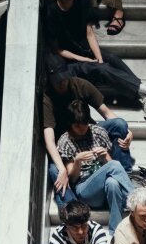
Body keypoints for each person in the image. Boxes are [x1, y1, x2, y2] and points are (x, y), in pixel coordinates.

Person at [44, 0, 146, 121]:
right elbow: (57, 50)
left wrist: (99, 59)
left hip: (85, 51)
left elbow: (89, 32)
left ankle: (143, 96)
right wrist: (84, 59)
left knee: (112, 59)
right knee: (101, 69)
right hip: (69, 63)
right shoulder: (51, 11)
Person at [42, 71, 135, 203]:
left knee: (120, 124)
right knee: (55, 170)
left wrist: (127, 131)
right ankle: (73, 207)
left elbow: (107, 113)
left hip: (88, 129)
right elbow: (49, 141)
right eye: (57, 82)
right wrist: (63, 168)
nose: (61, 84)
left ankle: (125, 176)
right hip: (64, 141)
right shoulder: (47, 99)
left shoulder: (80, 85)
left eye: (64, 80)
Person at [55, 99, 134, 234]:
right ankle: (136, 199)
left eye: (85, 124)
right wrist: (77, 161)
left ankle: (115, 232)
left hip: (104, 188)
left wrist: (104, 157)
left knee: (113, 183)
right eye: (78, 126)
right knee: (114, 165)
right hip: (84, 189)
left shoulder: (98, 132)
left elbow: (110, 165)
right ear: (71, 125)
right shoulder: (65, 140)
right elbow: (72, 179)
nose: (82, 129)